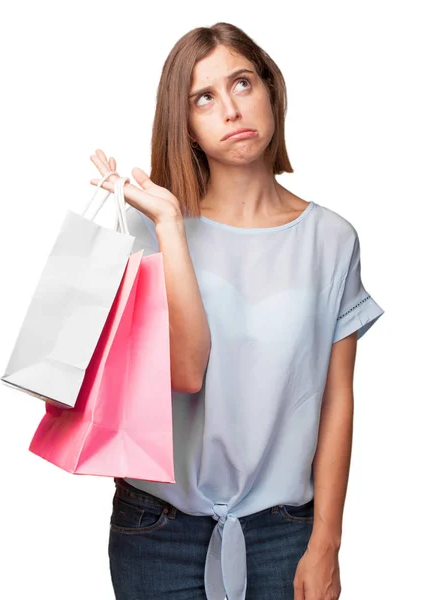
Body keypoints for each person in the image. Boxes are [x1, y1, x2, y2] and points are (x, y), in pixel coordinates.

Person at [89, 22, 385, 600]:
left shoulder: (332, 239)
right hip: (158, 528)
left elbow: (336, 398)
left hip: (284, 530)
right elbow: (184, 373)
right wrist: (169, 227)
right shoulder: (146, 224)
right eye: (204, 97)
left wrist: (327, 542)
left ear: (271, 91)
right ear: (187, 124)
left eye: (242, 83)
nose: (230, 109)